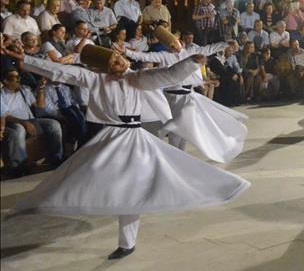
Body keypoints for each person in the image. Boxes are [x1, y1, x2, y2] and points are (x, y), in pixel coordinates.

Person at [8, 43, 249, 259]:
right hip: (109, 138)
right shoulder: (95, 79)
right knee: (78, 176)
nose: (120, 61)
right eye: (113, 61)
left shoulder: (137, 77)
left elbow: (164, 75)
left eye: (119, 57)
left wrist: (190, 63)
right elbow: (60, 71)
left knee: (133, 190)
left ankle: (127, 243)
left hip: (134, 139)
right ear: (103, 66)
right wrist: (26, 61)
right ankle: (50, 202)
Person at [124, 30, 247, 164]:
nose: (175, 46)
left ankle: (179, 157)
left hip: (188, 97)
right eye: (171, 45)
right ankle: (171, 157)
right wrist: (127, 52)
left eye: (176, 43)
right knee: (173, 129)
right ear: (167, 46)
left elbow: (209, 49)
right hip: (172, 98)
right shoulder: (164, 56)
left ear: (179, 42)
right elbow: (145, 57)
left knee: (184, 129)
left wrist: (224, 44)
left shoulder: (190, 52)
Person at [1, 68, 63, 175]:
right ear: (6, 81)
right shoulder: (2, 95)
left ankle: (56, 157)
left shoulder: (24, 90)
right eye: (14, 78)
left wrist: (40, 90)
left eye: (18, 76)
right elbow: (5, 116)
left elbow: (40, 106)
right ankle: (19, 166)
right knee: (19, 130)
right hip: (12, 122)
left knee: (53, 124)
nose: (18, 79)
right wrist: (23, 123)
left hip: (31, 120)